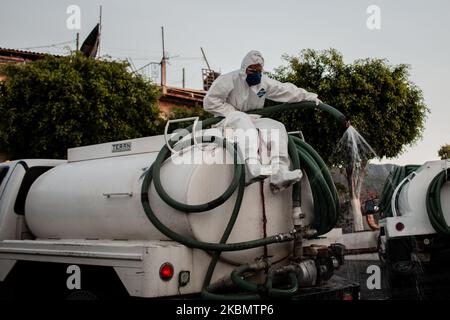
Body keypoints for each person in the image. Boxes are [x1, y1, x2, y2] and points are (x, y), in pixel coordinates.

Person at [203, 50, 321, 192]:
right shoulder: (229, 80)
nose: (257, 74)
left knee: (277, 127)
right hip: (228, 119)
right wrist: (233, 112)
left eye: (259, 70)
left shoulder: (263, 83)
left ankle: (279, 172)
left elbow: (286, 91)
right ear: (244, 69)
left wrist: (309, 96)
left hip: (252, 119)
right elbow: (209, 101)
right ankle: (252, 169)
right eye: (253, 70)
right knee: (242, 120)